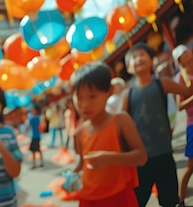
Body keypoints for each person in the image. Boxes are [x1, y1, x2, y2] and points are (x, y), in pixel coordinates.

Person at [122, 43, 193, 207]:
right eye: (134, 57)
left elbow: (187, 92)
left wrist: (187, 71)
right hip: (141, 159)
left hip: (164, 155)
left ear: (152, 60)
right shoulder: (128, 94)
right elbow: (120, 124)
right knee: (137, 202)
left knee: (169, 201)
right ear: (128, 67)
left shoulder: (163, 83)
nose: (138, 58)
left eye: (142, 55)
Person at [70, 62, 147, 207]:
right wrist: (71, 176)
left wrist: (111, 158)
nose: (85, 104)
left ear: (110, 91)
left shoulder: (120, 120)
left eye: (92, 96)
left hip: (118, 196)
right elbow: (82, 162)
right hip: (88, 198)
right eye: (79, 98)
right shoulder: (79, 132)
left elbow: (141, 157)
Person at [173, 44, 193, 207]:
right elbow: (180, 106)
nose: (187, 55)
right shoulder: (182, 77)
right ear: (180, 61)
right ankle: (180, 200)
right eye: (183, 54)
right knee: (190, 166)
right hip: (192, 124)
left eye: (187, 51)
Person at [28, 104, 44, 168]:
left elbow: (29, 119)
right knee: (38, 150)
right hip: (37, 136)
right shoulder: (38, 117)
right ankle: (40, 162)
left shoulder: (34, 118)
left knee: (34, 151)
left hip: (35, 136)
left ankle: (35, 164)